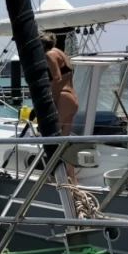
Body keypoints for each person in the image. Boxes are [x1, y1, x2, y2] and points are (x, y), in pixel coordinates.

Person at [42, 31, 78, 180]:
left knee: (57, 141)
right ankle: (71, 178)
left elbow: (56, 79)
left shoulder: (49, 55)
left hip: (63, 98)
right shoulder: (61, 53)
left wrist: (50, 101)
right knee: (64, 141)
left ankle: (60, 176)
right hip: (71, 98)